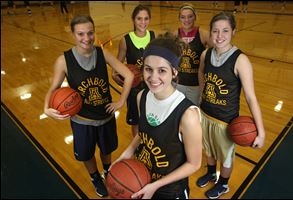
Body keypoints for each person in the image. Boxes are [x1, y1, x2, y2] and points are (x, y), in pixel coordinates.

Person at [43, 15, 134, 197]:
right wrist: (46, 108)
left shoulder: (103, 53)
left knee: (106, 150)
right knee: (86, 154)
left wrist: (121, 101)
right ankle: (95, 177)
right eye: (81, 34)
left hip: (105, 116)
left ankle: (107, 171)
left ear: (94, 32)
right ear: (73, 34)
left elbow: (129, 76)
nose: (86, 38)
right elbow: (53, 88)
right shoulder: (64, 60)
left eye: (90, 33)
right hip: (82, 119)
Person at [111, 32, 202, 199]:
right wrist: (128, 152)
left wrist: (156, 185)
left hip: (170, 190)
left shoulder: (188, 115)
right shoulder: (142, 97)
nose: (153, 78)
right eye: (148, 69)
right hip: (143, 179)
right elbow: (143, 133)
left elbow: (194, 164)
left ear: (174, 72)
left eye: (162, 70)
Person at [196, 12, 265, 199]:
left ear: (234, 31)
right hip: (205, 114)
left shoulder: (240, 60)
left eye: (225, 30)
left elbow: (251, 97)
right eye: (215, 31)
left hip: (226, 121)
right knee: (208, 150)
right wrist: (203, 93)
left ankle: (223, 184)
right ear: (210, 33)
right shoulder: (206, 54)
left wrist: (261, 132)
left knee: (225, 158)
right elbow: (201, 73)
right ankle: (211, 173)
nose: (219, 36)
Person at [112, 4, 155, 137]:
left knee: (152, 119)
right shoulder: (125, 40)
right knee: (136, 122)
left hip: (152, 87)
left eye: (146, 18)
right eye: (139, 19)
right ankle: (138, 148)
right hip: (134, 90)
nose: (143, 22)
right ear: (133, 20)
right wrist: (116, 76)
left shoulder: (154, 36)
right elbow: (116, 67)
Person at [176, 3, 212, 106]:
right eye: (183, 17)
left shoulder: (203, 34)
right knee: (178, 114)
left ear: (195, 17)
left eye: (190, 16)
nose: (186, 20)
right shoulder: (175, 34)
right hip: (177, 84)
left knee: (194, 115)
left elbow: (218, 52)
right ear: (179, 18)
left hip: (195, 85)